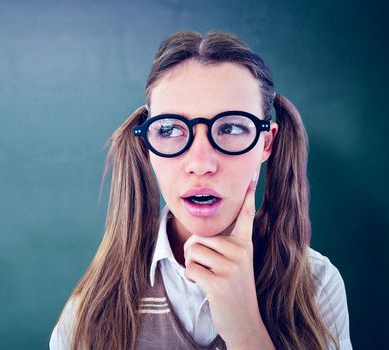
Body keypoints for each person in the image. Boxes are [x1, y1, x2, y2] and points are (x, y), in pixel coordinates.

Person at [49, 31, 352, 350]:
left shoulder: (316, 286)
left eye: (232, 127)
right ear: (148, 145)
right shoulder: (92, 309)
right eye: (169, 130)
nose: (201, 163)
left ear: (266, 143)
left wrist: (247, 330)